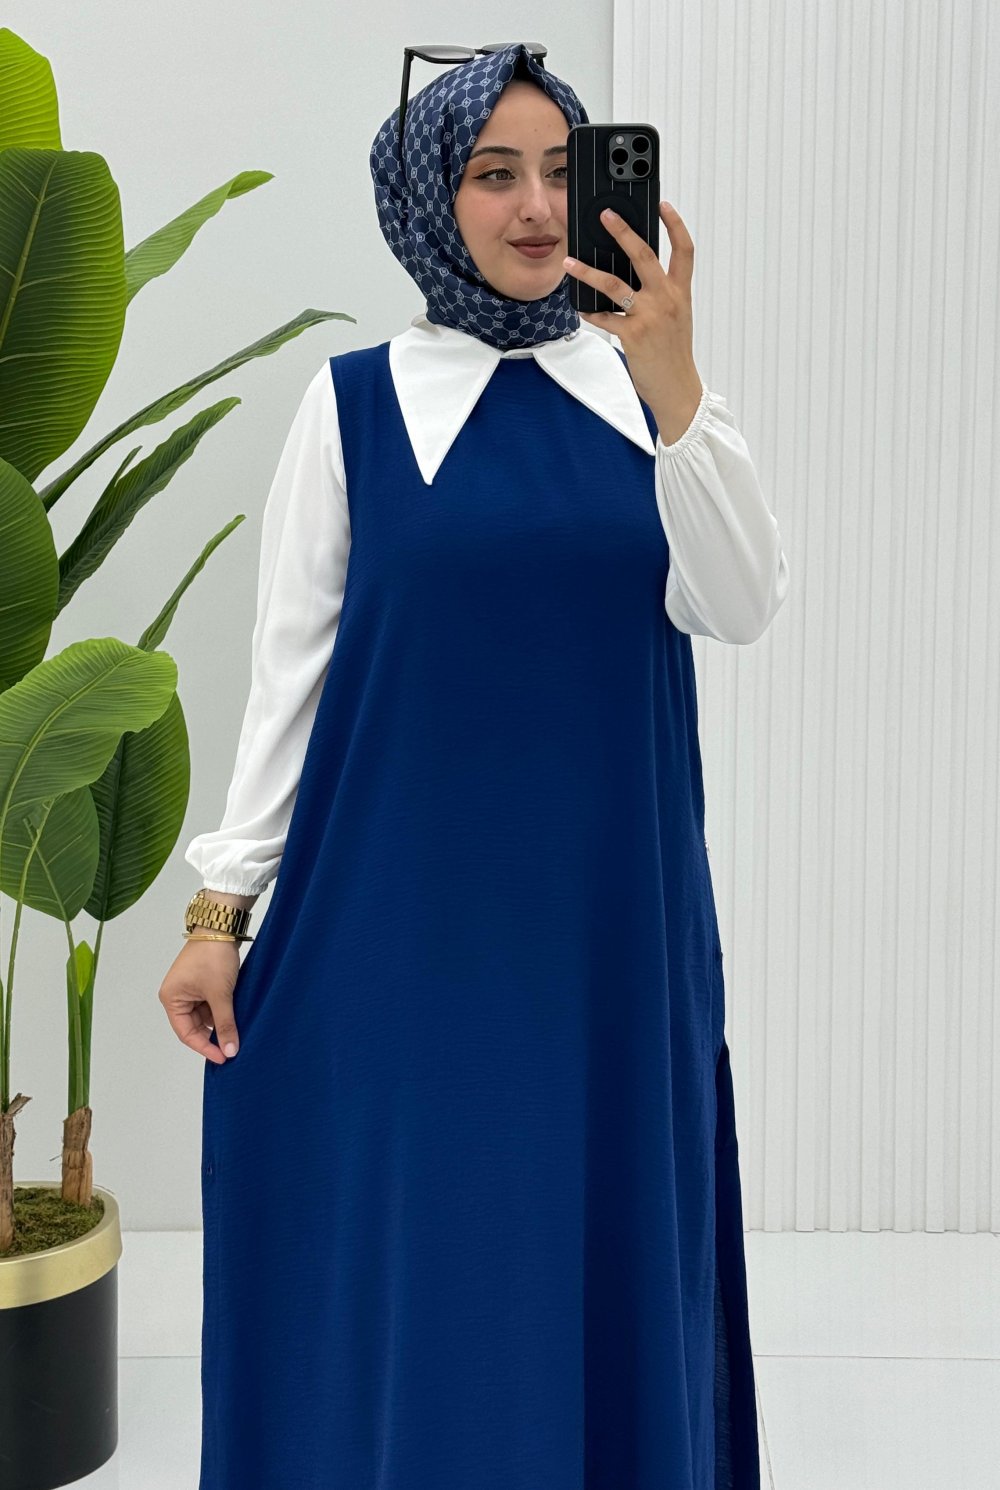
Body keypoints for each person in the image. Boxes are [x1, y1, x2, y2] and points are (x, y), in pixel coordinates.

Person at [158, 41, 788, 1490]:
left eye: (563, 170)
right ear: (430, 200)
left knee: (598, 1255)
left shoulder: (645, 397)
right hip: (401, 939)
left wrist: (678, 381)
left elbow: (744, 602)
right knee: (437, 1267)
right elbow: (289, 683)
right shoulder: (353, 408)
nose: (538, 207)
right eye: (495, 174)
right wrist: (218, 913)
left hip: (609, 944)